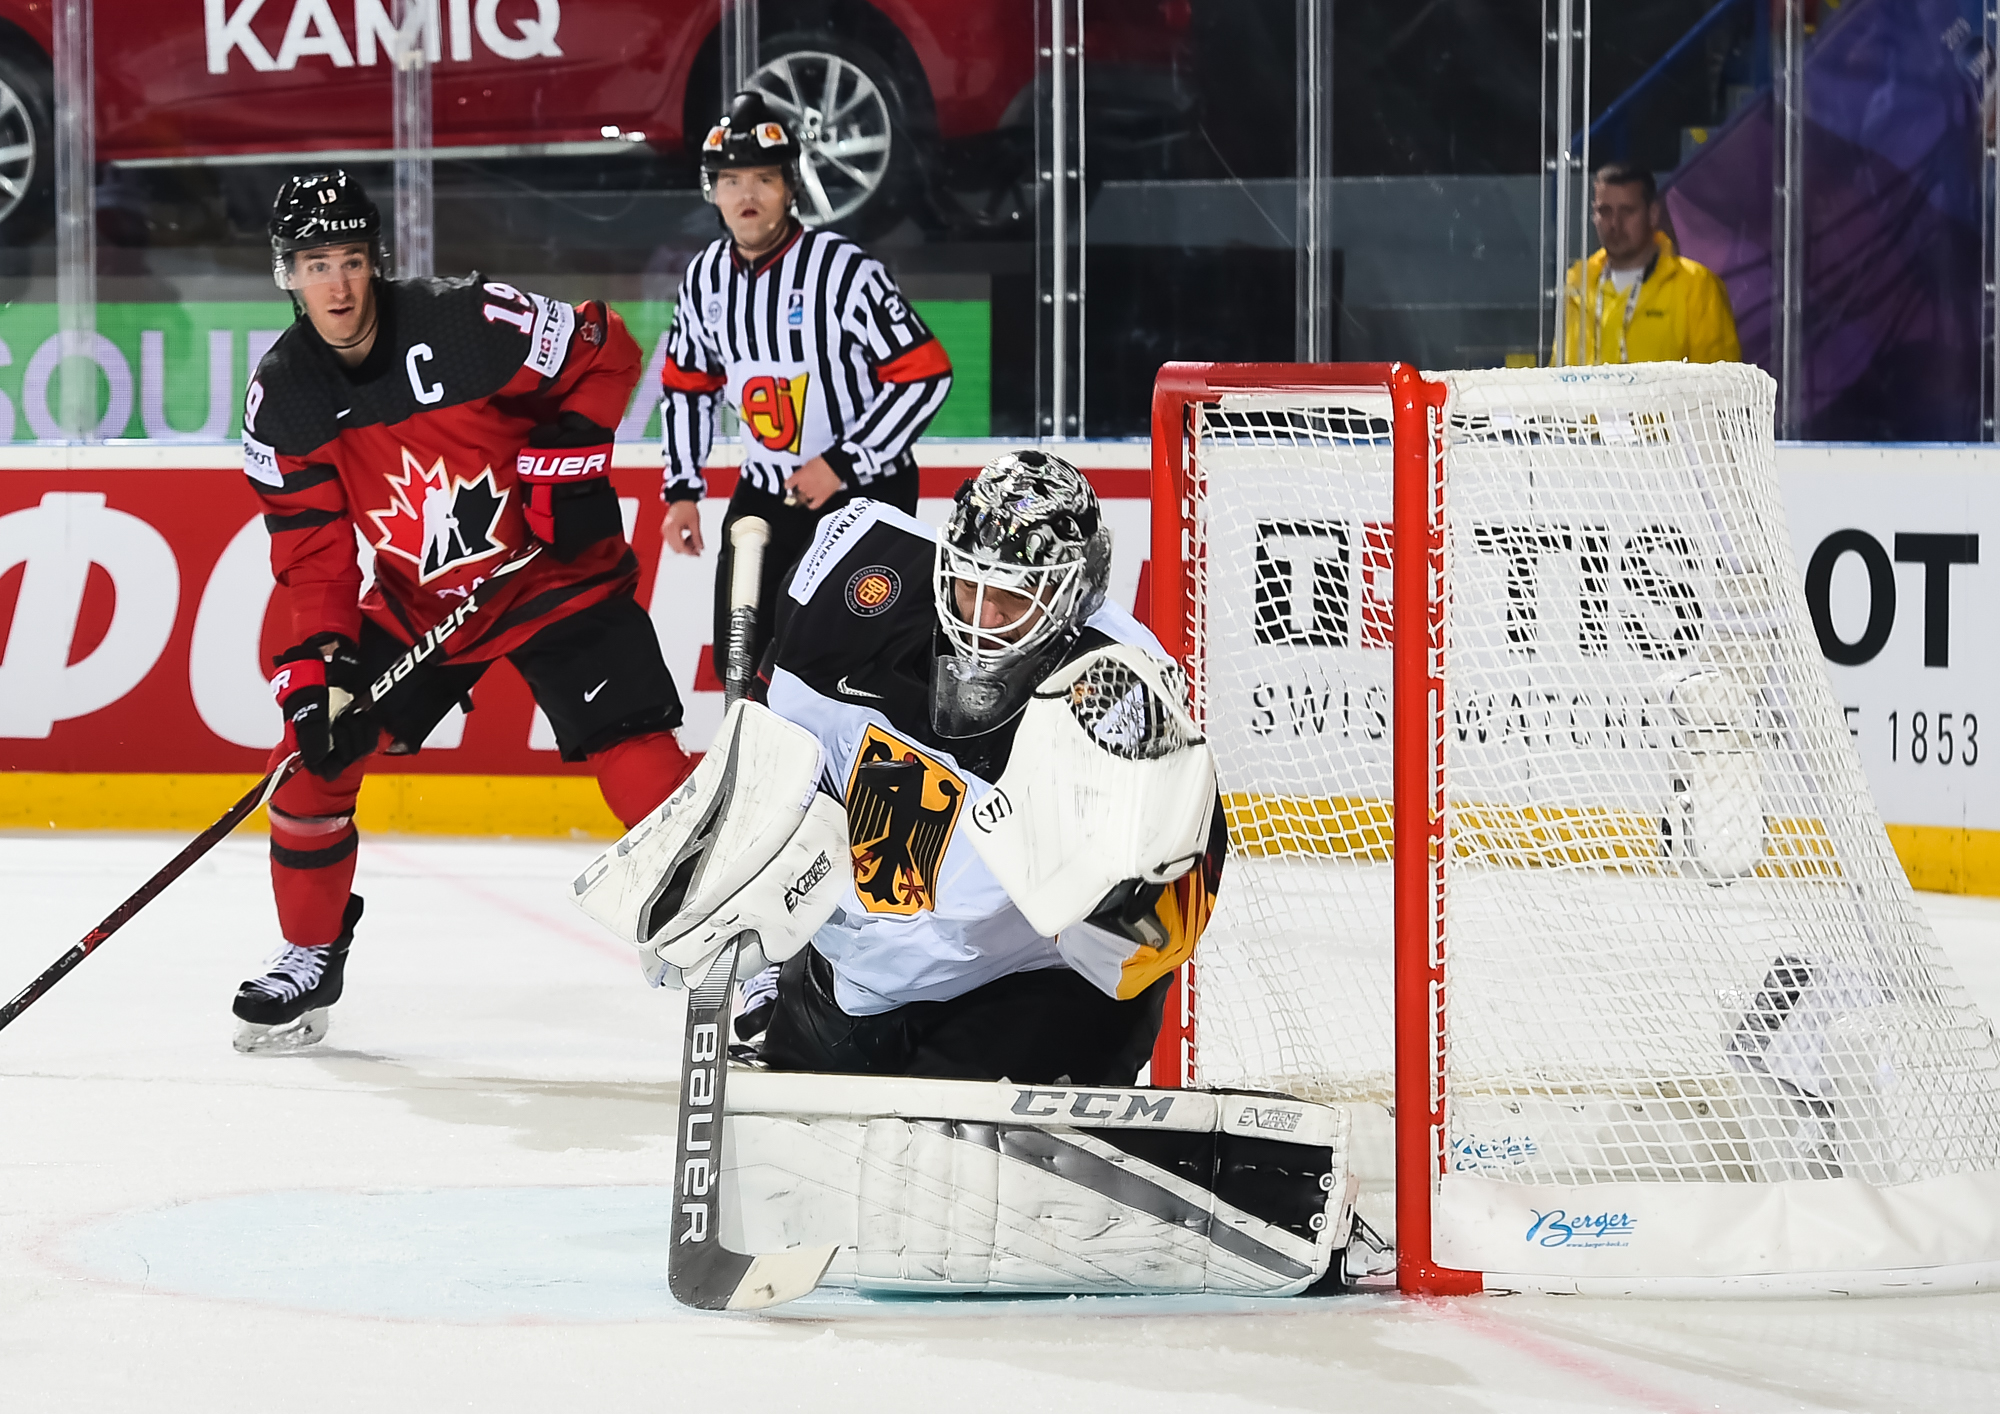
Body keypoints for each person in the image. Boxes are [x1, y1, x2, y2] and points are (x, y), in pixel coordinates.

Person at [231, 169, 696, 1053]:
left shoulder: (469, 319)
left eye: (352, 261)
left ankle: (726, 950)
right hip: (424, 599)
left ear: (379, 262)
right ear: (286, 276)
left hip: (553, 575)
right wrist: (316, 674)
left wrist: (567, 464)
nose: (337, 284)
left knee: (637, 763)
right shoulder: (283, 396)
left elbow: (607, 348)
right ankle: (310, 948)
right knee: (306, 763)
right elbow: (312, 555)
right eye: (315, 264)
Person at [741, 451, 1227, 1085]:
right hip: (850, 982)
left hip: (1017, 989)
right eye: (969, 585)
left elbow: (1155, 930)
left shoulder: (1122, 688)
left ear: (1070, 596)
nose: (979, 617)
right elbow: (773, 780)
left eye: (1009, 597)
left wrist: (1110, 898)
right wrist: (756, 929)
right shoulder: (855, 594)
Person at [656, 90, 954, 681]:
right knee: (741, 664)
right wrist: (681, 490)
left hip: (861, 499)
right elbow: (688, 384)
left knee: (848, 669)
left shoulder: (844, 270)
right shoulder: (705, 277)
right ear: (710, 190)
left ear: (791, 185)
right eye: (731, 179)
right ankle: (762, 775)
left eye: (763, 178)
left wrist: (842, 463)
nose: (746, 194)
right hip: (765, 495)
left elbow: (924, 375)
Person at [1557, 161, 1741, 366]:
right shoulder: (1578, 284)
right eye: (1605, 211)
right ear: (1593, 215)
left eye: (1627, 211)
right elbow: (1558, 374)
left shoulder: (1697, 286)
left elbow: (1720, 387)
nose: (1615, 224)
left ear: (1652, 214)